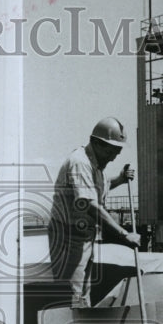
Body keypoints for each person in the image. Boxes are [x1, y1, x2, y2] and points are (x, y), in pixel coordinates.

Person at [47, 117, 140, 308]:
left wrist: (120, 179)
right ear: (97, 143)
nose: (115, 156)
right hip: (69, 235)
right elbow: (90, 204)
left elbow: (99, 188)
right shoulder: (80, 162)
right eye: (112, 151)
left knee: (84, 290)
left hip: (84, 235)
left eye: (118, 151)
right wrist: (124, 234)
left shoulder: (97, 164)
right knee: (73, 292)